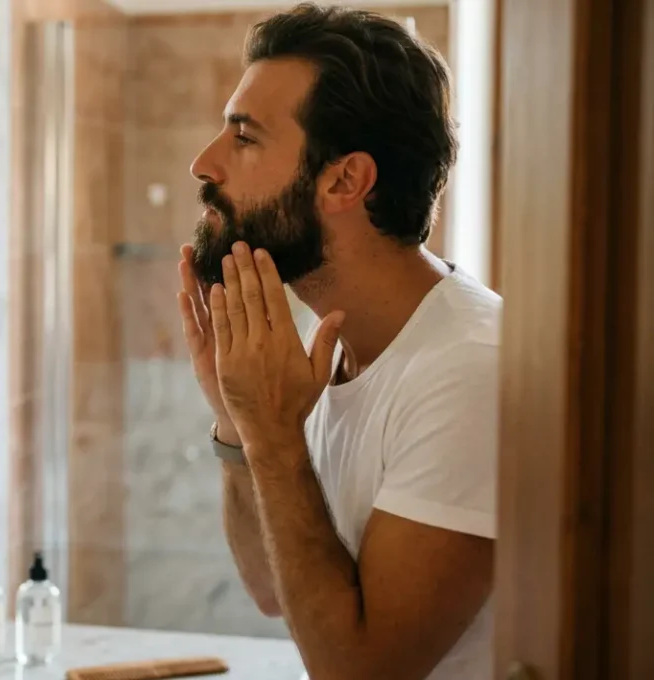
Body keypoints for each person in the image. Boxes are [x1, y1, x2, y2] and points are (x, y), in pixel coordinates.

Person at [175, 5, 500, 680]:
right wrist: (239, 424)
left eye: (245, 137)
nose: (203, 164)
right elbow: (272, 591)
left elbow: (359, 671)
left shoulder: (471, 371)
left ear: (345, 180)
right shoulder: (337, 348)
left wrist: (274, 436)